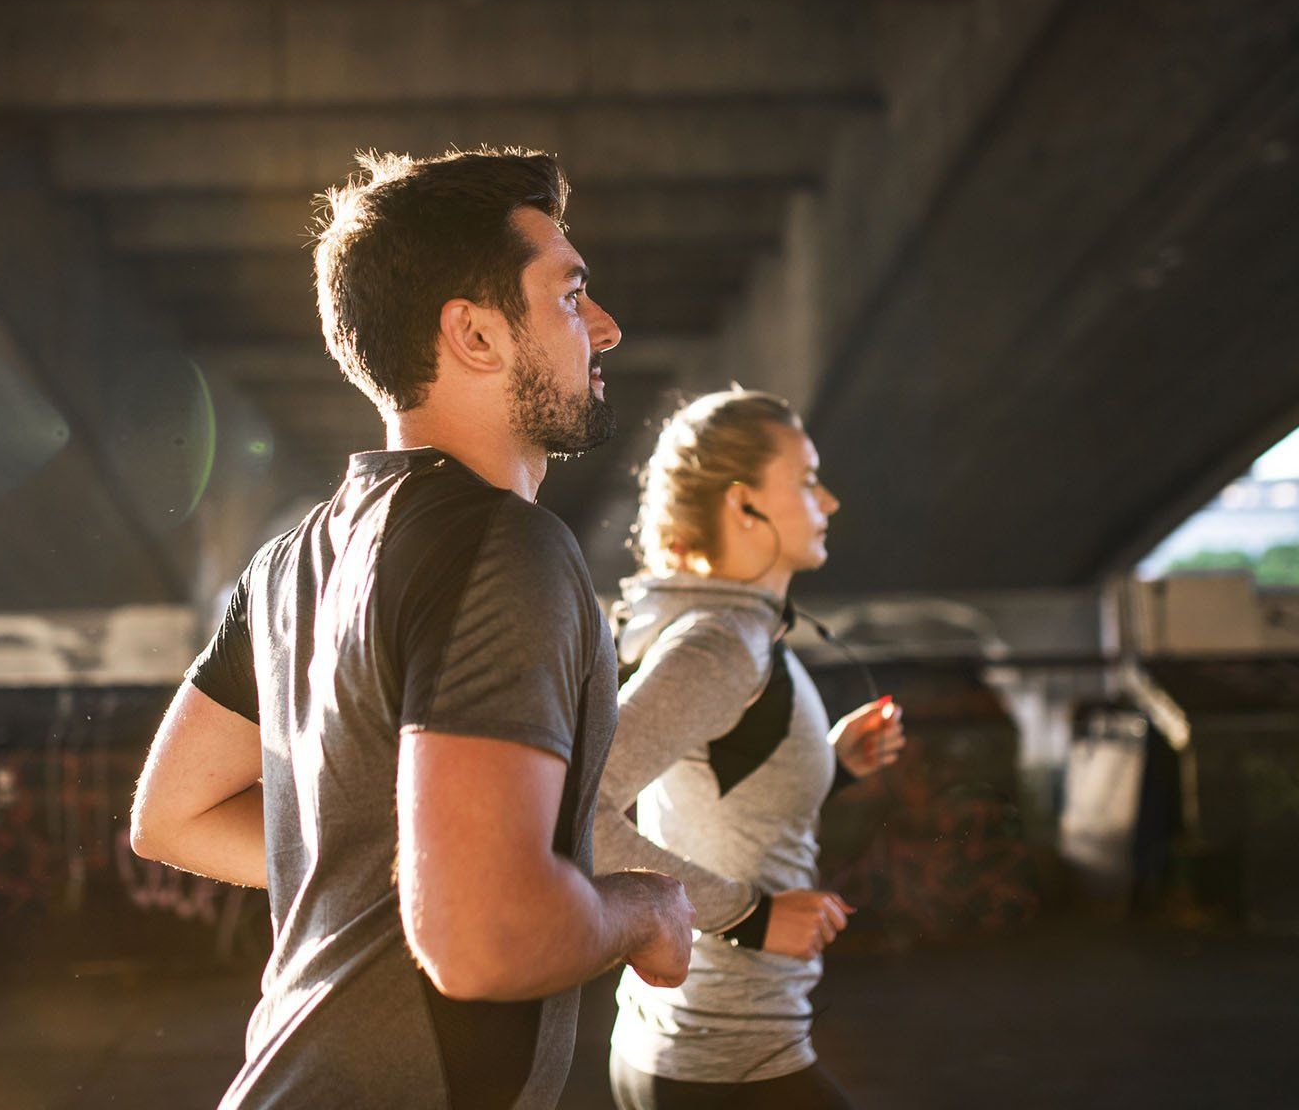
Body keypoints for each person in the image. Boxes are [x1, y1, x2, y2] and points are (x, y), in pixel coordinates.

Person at [129, 148, 696, 1109]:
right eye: (570, 295)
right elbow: (483, 943)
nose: (605, 328)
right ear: (475, 334)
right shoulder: (510, 551)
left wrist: (415, 883)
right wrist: (642, 909)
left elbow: (170, 817)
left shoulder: (292, 560)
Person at [594, 389, 907, 1110]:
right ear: (744, 506)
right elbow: (573, 812)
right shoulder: (720, 644)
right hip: (722, 1056)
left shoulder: (741, 631)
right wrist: (752, 916)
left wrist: (830, 765)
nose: (828, 502)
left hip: (699, 1048)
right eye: (805, 480)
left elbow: (711, 796)